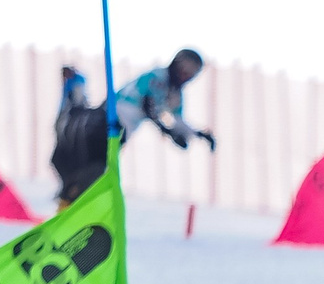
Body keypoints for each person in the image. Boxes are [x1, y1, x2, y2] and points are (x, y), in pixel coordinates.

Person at [51, 49, 215, 204]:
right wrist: (170, 132)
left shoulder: (174, 92)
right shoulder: (158, 78)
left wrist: (198, 134)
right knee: (92, 168)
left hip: (120, 132)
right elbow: (148, 106)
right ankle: (69, 202)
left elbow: (177, 119)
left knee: (97, 172)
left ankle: (71, 202)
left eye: (193, 72)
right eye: (186, 68)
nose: (187, 75)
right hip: (108, 122)